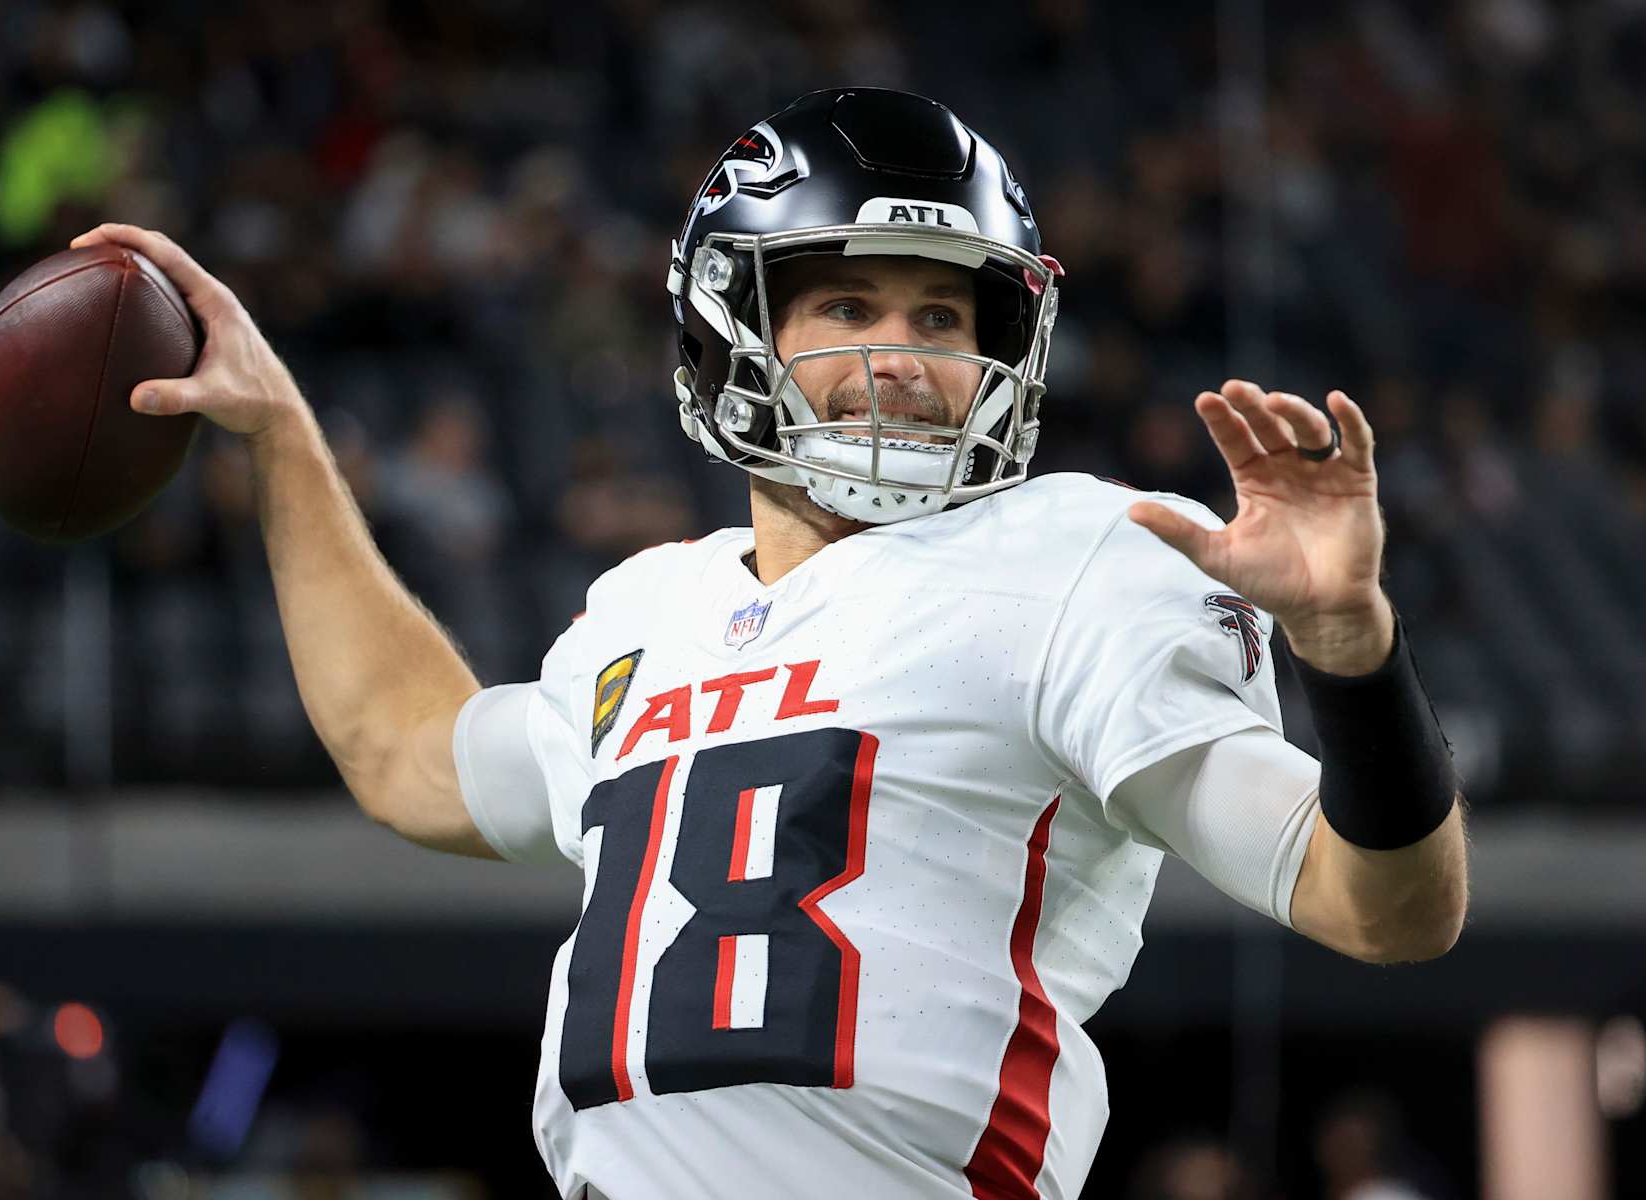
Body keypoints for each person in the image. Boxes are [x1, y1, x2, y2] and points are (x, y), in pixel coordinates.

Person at [72, 87, 1468, 1200]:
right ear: (729, 327)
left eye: (942, 315)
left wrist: (1351, 649)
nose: (903, 357)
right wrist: (282, 434)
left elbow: (1388, 908)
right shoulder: (647, 609)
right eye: (849, 306)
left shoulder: (1079, 555)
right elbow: (406, 753)